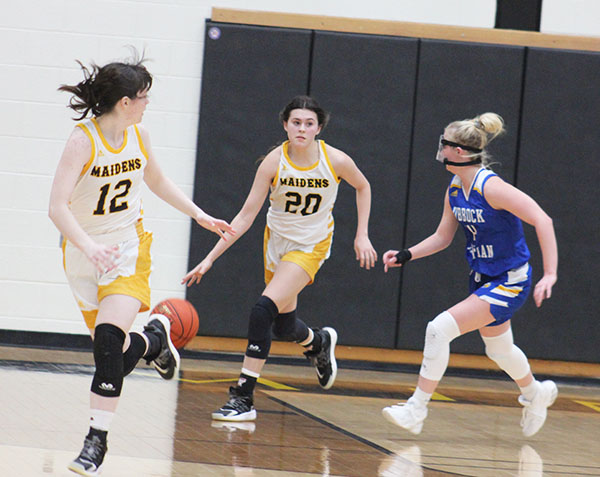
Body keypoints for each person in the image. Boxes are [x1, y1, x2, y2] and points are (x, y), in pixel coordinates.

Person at [49, 52, 234, 476]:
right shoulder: (83, 141)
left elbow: (156, 181)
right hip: (83, 253)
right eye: (144, 96)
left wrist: (200, 215)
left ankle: (96, 441)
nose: (149, 102)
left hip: (129, 249)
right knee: (110, 355)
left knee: (109, 343)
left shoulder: (140, 135)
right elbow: (57, 207)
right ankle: (154, 340)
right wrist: (88, 247)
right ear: (125, 101)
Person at [182, 95, 377, 421]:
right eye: (296, 122)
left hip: (311, 246)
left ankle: (243, 398)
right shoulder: (273, 162)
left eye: (309, 123)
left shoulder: (336, 160)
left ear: (318, 128)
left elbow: (364, 186)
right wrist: (210, 258)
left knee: (262, 312)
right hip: (277, 246)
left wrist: (362, 234)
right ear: (285, 125)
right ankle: (318, 343)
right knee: (284, 326)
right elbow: (244, 217)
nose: (302, 128)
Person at [381, 113, 558, 437]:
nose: (440, 150)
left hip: (510, 279)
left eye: (445, 144)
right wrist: (406, 254)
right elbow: (442, 237)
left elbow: (542, 220)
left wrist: (549, 274)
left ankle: (416, 409)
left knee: (438, 330)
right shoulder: (454, 186)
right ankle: (536, 393)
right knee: (499, 350)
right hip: (483, 276)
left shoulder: (492, 188)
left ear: (458, 151)